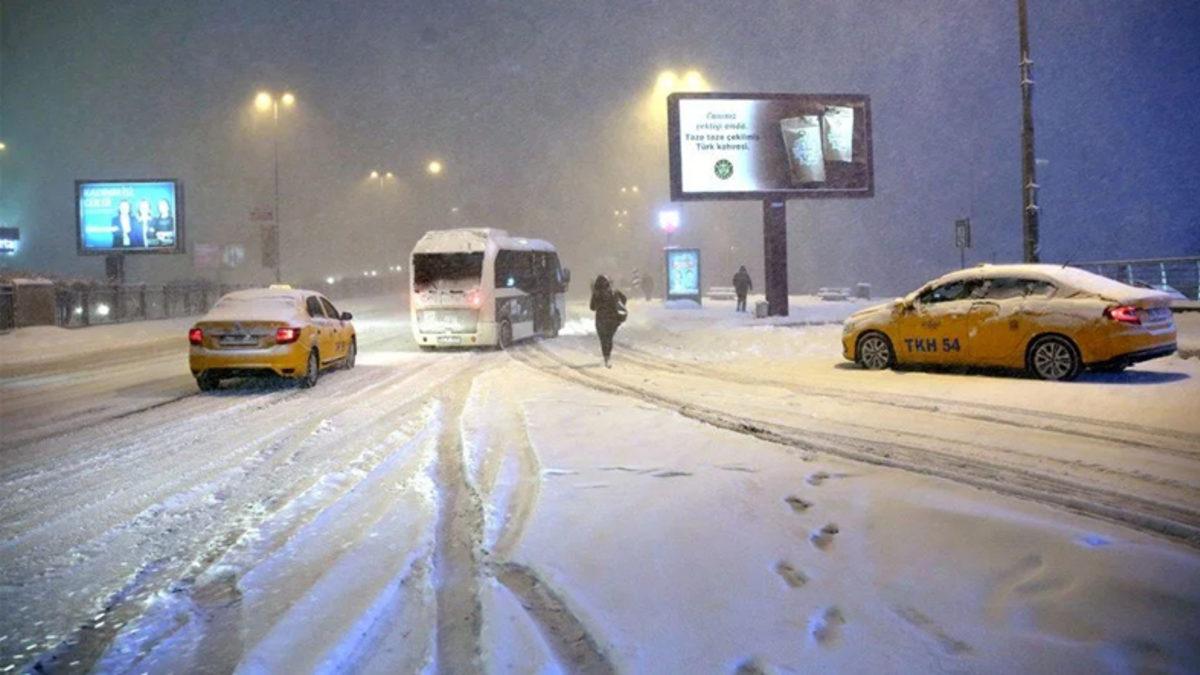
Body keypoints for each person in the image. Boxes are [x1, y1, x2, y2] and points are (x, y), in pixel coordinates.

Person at [590, 274, 627, 368]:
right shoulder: (614, 292)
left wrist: (594, 295)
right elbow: (624, 299)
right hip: (613, 320)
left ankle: (606, 357)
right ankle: (608, 356)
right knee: (609, 339)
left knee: (603, 340)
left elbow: (592, 307)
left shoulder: (597, 294)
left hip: (601, 321)